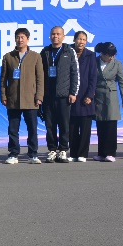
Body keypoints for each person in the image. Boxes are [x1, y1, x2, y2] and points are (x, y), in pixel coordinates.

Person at [0, 28, 44, 164]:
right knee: (13, 129)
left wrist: (39, 96)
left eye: (22, 37)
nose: (20, 40)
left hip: (31, 99)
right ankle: (13, 154)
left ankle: (33, 154)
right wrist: (3, 96)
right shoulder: (8, 57)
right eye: (18, 37)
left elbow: (40, 78)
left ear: (28, 39)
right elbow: (3, 79)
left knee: (32, 129)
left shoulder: (36, 56)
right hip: (13, 99)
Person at [40, 26, 79, 163]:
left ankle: (63, 150)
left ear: (63, 36)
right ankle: (52, 150)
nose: (55, 36)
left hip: (64, 95)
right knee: (49, 125)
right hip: (48, 96)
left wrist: (73, 92)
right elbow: (39, 74)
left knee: (64, 124)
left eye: (58, 34)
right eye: (53, 34)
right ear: (50, 36)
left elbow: (75, 73)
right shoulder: (45, 52)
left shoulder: (69, 51)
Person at [92, 42, 123, 163]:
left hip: (111, 95)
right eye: (109, 55)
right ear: (102, 54)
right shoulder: (95, 61)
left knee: (111, 125)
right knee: (100, 124)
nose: (112, 57)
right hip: (98, 95)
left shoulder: (117, 64)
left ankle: (111, 153)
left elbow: (122, 83)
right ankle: (101, 153)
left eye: (113, 55)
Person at [68, 31, 98, 162]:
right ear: (74, 40)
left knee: (85, 128)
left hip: (85, 96)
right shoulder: (67, 52)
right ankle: (73, 153)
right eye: (79, 39)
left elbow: (93, 77)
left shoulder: (90, 55)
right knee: (72, 127)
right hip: (71, 95)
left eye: (84, 40)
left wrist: (90, 95)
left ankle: (83, 154)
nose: (81, 42)